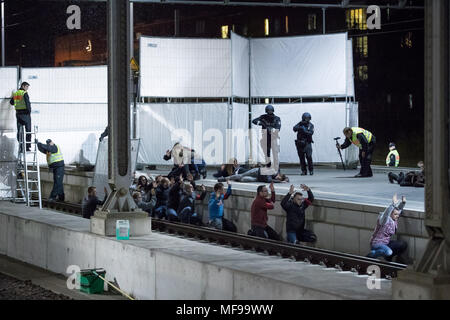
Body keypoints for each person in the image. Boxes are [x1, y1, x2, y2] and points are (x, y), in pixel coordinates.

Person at [367, 194, 407, 262]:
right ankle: (372, 254)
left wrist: (403, 203)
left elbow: (399, 209)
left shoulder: (394, 219)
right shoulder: (384, 220)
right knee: (389, 252)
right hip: (376, 243)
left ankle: (387, 257)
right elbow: (386, 213)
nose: (397, 216)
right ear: (390, 214)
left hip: (385, 242)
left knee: (402, 244)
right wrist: (393, 204)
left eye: (398, 215)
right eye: (395, 214)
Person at [252, 105, 281, 169]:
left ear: (273, 111)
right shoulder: (263, 117)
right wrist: (261, 123)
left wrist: (271, 129)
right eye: (268, 111)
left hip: (273, 138)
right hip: (265, 138)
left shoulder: (277, 118)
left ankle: (276, 167)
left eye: (270, 111)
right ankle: (268, 166)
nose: (269, 112)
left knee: (275, 153)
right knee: (266, 153)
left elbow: (278, 128)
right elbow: (254, 121)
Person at [10, 82, 32, 151]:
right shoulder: (24, 93)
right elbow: (27, 103)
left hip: (18, 114)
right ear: (23, 86)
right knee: (28, 130)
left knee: (19, 131)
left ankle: (21, 146)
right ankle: (27, 147)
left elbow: (11, 102)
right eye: (26, 87)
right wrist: (29, 112)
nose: (27, 89)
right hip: (25, 114)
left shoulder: (16, 93)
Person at [220, 166, 289, 184]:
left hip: (258, 178)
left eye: (278, 179)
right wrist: (280, 181)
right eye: (278, 178)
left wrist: (284, 180)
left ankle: (233, 178)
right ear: (279, 175)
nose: (277, 179)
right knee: (241, 175)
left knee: (243, 180)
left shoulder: (275, 176)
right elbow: (268, 180)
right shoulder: (273, 172)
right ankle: (225, 178)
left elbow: (269, 180)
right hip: (256, 171)